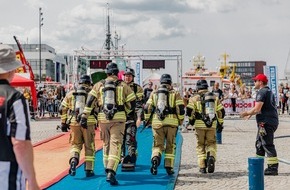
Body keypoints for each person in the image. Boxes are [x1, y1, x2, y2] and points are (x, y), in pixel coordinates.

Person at [80, 62, 136, 185]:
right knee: (115, 144)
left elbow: (90, 101)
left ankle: (106, 168)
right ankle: (111, 171)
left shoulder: (98, 85)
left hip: (103, 119)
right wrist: (124, 112)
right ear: (117, 73)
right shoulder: (123, 85)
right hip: (119, 119)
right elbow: (133, 102)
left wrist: (84, 115)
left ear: (107, 73)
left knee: (106, 143)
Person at [0, 44, 40, 190]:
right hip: (6, 172)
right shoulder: (14, 97)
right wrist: (32, 181)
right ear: (11, 69)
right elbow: (20, 143)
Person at [144, 74, 185, 175]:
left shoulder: (154, 93)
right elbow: (180, 109)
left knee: (157, 145)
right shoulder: (175, 93)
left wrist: (147, 120)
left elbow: (147, 108)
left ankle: (155, 159)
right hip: (172, 124)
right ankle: (168, 167)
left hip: (157, 124)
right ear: (170, 82)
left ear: (161, 82)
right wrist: (180, 121)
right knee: (171, 146)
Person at [240, 74, 279, 175]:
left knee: (267, 144)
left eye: (255, 81)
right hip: (269, 121)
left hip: (265, 122)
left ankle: (273, 168)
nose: (254, 83)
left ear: (261, 82)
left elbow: (257, 109)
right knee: (259, 144)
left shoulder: (261, 92)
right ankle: (257, 166)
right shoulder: (269, 91)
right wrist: (250, 115)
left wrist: (246, 113)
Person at [59, 74, 96, 177]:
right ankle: (89, 170)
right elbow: (98, 107)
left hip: (74, 122)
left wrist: (63, 122)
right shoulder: (92, 93)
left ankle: (74, 160)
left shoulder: (71, 93)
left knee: (75, 145)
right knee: (89, 146)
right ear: (89, 83)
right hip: (89, 122)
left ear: (79, 82)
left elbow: (62, 108)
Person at [186, 79, 224, 173]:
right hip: (212, 125)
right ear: (207, 87)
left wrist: (191, 120)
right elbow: (221, 112)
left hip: (199, 125)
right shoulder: (214, 97)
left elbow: (189, 110)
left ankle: (202, 167)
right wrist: (220, 123)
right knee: (211, 143)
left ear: (197, 88)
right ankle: (211, 156)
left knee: (200, 145)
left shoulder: (194, 98)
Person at [121, 67, 144, 170]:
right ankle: (121, 157)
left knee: (130, 138)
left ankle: (131, 156)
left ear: (133, 77)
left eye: (130, 76)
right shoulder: (119, 86)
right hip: (120, 118)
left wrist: (139, 118)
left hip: (131, 118)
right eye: (126, 76)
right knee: (120, 139)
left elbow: (139, 104)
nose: (127, 78)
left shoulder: (137, 88)